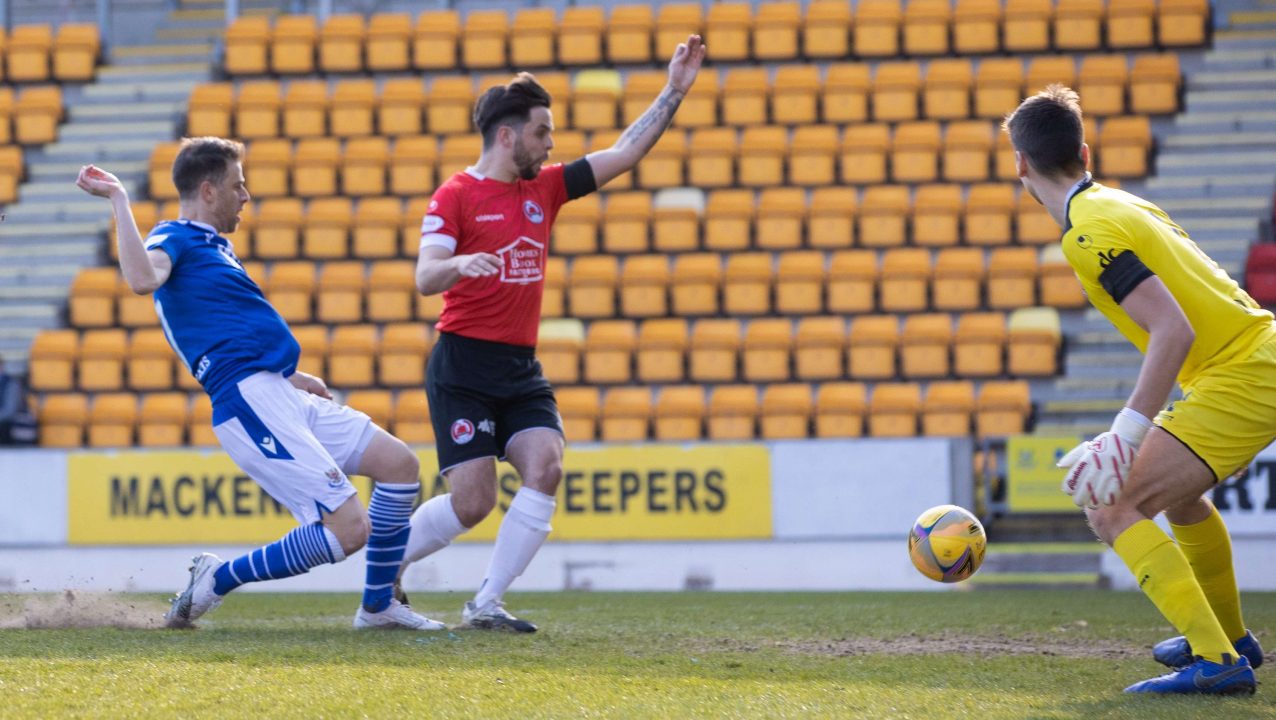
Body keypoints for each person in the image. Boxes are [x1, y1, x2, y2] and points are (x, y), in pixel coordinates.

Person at [395, 37, 707, 632]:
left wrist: (674, 89)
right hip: (462, 365)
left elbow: (625, 152)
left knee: (546, 465)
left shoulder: (548, 188)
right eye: (543, 131)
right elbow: (424, 276)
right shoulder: (455, 195)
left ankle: (485, 602)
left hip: (520, 367)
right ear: (508, 136)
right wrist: (460, 264)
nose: (551, 143)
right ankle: (387, 566)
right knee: (473, 504)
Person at [76, 138, 444, 631]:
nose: (245, 195)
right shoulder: (173, 238)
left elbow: (228, 328)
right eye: (237, 185)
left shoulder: (214, 247)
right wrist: (121, 202)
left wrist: (290, 374)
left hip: (276, 388)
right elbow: (143, 280)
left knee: (400, 465)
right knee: (348, 530)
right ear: (208, 191)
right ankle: (220, 578)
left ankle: (379, 607)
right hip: (248, 400)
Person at [1005, 85, 1264, 695]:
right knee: (1180, 499)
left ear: (1020, 165)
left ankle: (1219, 664)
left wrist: (1126, 434)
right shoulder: (1122, 205)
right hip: (1249, 363)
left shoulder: (1087, 233)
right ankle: (1232, 640)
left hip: (1245, 375)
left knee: (1110, 504)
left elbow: (1172, 329)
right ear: (1085, 152)